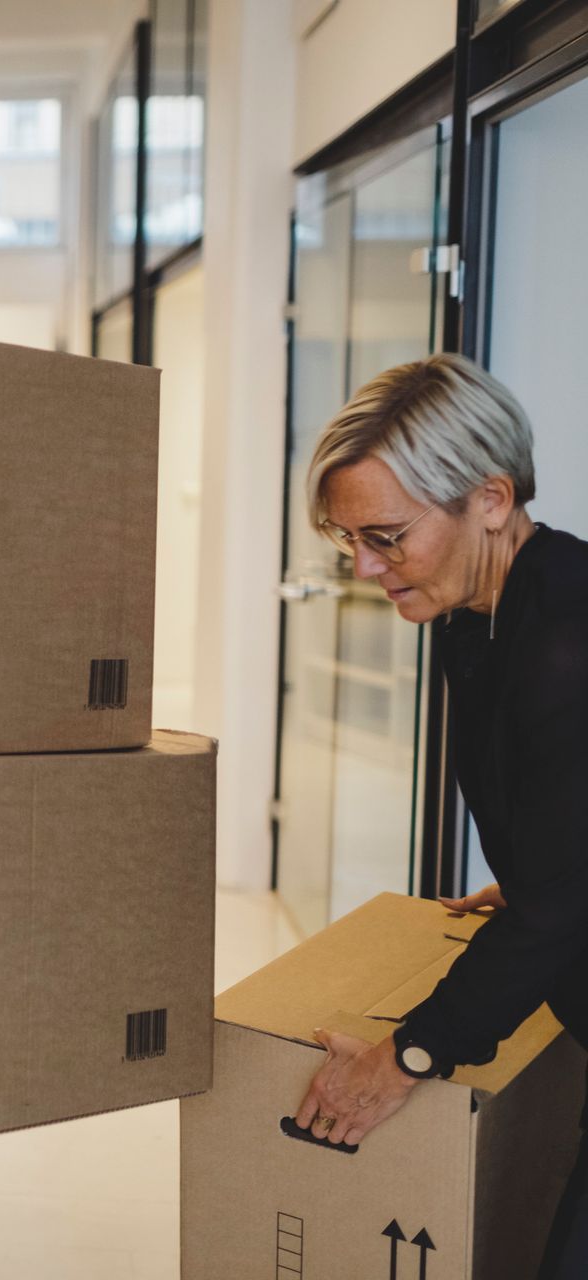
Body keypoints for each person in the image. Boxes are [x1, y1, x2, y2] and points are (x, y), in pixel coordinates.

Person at [291, 353, 588, 1277]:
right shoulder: (478, 617)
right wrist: (554, 857)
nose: (368, 568)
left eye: (386, 536)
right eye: (349, 543)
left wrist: (405, 1057)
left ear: (490, 499)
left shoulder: (567, 640)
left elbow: (555, 911)